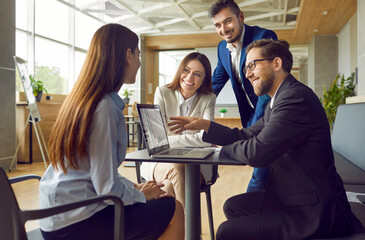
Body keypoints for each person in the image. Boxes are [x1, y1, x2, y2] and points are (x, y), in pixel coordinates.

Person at [168, 39, 364, 239]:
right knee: (233, 206)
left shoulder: (295, 98)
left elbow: (257, 152)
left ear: (276, 64)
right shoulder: (277, 100)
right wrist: (206, 126)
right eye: (245, 69)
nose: (248, 74)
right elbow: (246, 135)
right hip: (290, 194)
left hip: (313, 210)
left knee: (226, 232)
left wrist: (216, 151)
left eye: (252, 65)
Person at [39, 23, 184, 240]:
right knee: (175, 209)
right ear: (128, 55)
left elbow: (96, 174)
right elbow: (106, 188)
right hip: (77, 223)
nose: (139, 62)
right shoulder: (104, 108)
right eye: (138, 55)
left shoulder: (84, 100)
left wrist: (133, 187)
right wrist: (140, 195)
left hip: (57, 216)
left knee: (160, 198)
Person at [208, 0, 278, 192]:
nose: (224, 29)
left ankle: (250, 212)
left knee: (261, 170)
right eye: (218, 25)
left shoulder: (263, 37)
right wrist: (191, 102)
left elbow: (266, 88)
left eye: (227, 21)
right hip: (249, 117)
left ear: (240, 17)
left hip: (271, 115)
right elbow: (216, 83)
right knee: (265, 166)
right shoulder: (222, 49)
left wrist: (254, 127)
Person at [140, 52, 216, 210]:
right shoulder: (162, 92)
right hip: (161, 160)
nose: (189, 78)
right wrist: (194, 139)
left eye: (197, 74)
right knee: (177, 169)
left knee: (169, 185)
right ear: (180, 70)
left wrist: (169, 141)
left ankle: (175, 232)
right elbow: (156, 137)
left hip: (197, 164)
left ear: (204, 80)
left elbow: (207, 137)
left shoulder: (208, 99)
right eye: (186, 71)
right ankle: (190, 232)